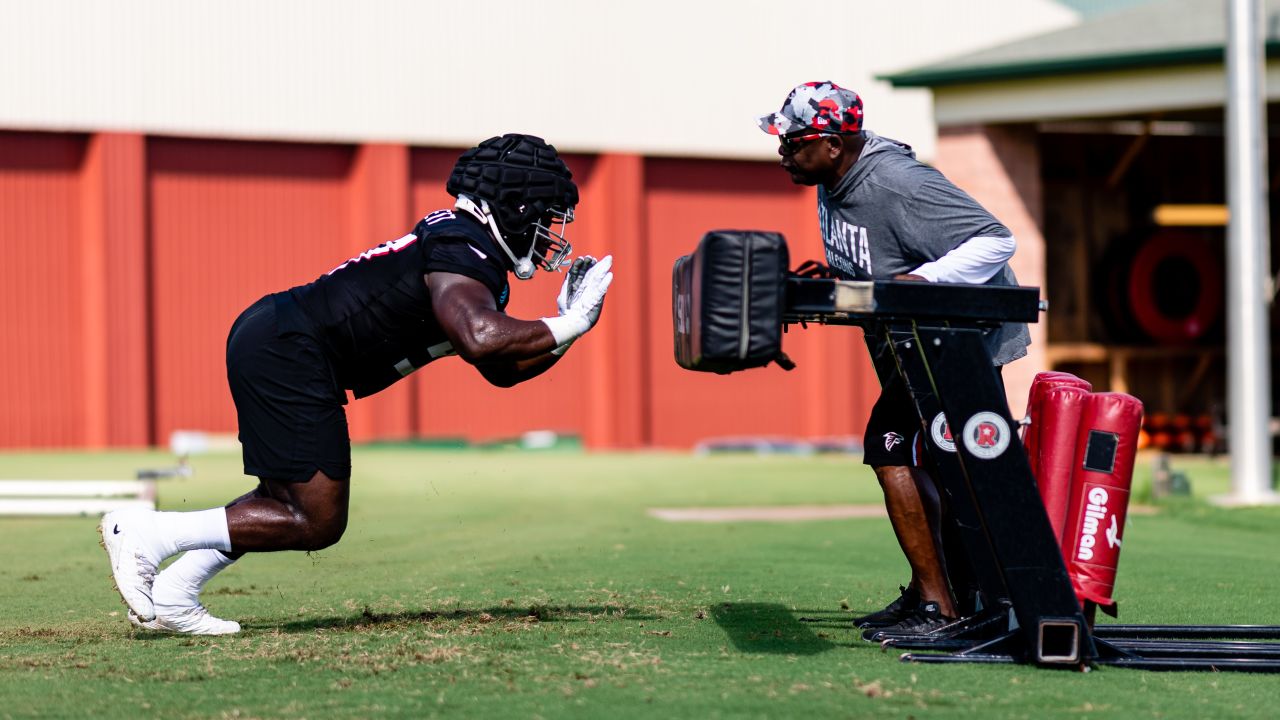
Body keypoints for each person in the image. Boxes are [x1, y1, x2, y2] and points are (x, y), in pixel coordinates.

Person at [99, 133, 614, 635]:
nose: (549, 233)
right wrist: (570, 324)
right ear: (514, 208)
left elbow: (501, 368)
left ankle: (174, 592)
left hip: (279, 338)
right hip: (289, 347)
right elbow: (481, 338)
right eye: (544, 217)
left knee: (283, 500)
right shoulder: (463, 246)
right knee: (316, 519)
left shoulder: (470, 249)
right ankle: (147, 533)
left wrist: (563, 326)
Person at [757, 82, 1030, 636]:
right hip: (906, 342)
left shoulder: (895, 182)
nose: (781, 152)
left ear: (832, 144)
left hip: (956, 345)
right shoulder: (831, 182)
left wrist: (919, 282)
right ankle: (936, 593)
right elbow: (870, 264)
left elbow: (995, 240)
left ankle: (938, 605)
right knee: (926, 460)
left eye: (790, 142)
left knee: (888, 446)